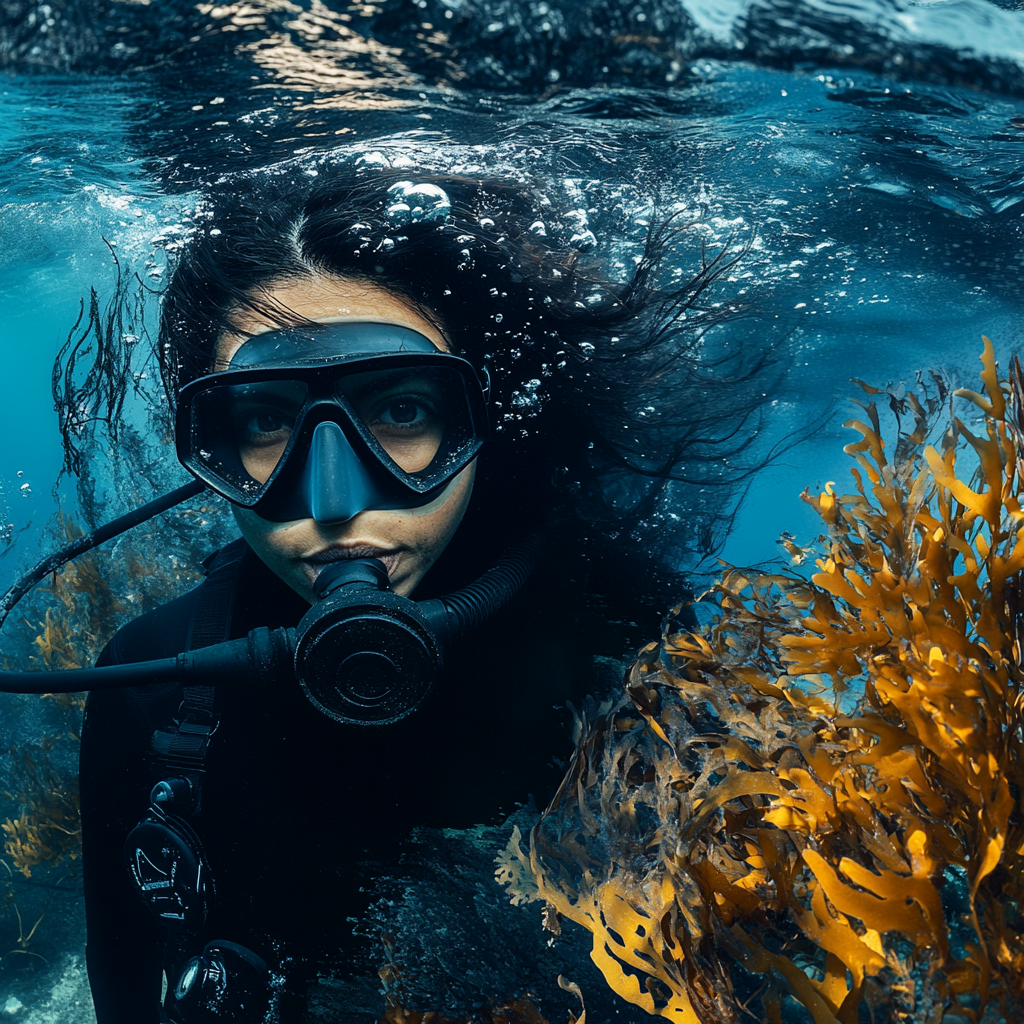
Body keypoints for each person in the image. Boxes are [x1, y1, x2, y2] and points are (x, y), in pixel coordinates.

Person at [77, 165, 770, 1022]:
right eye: (263, 423)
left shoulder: (622, 633)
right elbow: (122, 973)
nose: (334, 502)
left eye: (402, 410)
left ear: (484, 420)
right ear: (214, 446)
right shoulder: (151, 683)